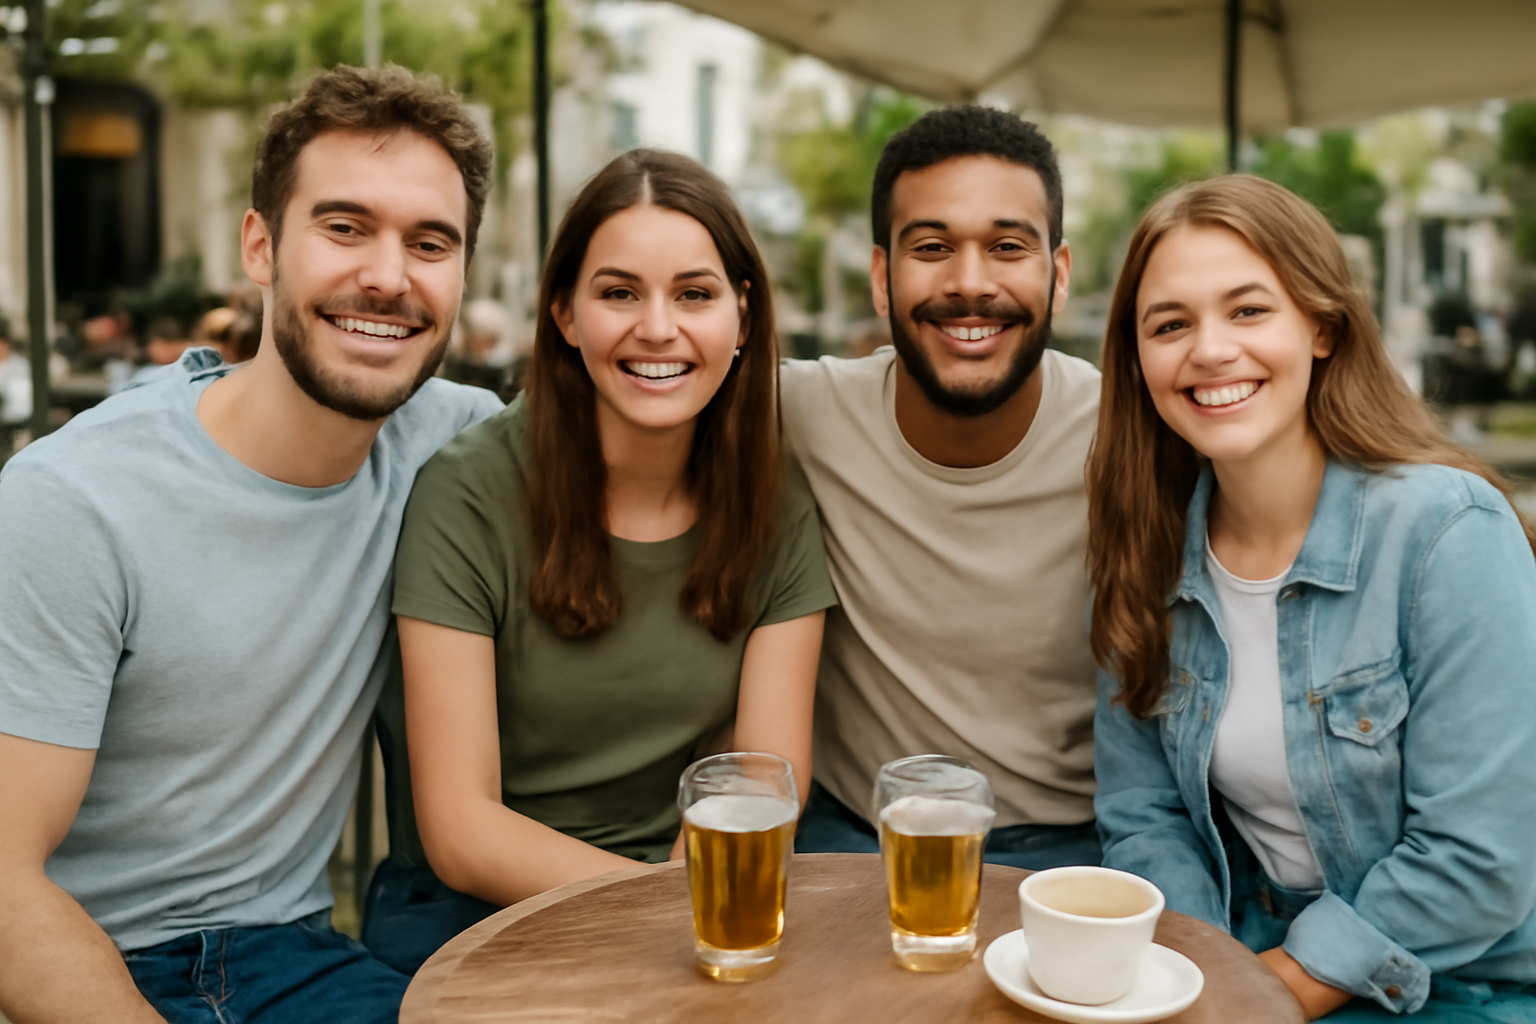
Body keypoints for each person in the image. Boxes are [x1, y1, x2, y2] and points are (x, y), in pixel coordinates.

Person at [0, 65, 504, 1024]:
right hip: (98, 962)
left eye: (429, 242)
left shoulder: (454, 440)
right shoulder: (75, 501)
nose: (389, 277)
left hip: (300, 954)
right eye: (345, 227)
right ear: (261, 247)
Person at [361, 148, 837, 974]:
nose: (658, 328)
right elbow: (460, 831)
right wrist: (671, 911)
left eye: (694, 294)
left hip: (692, 887)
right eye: (619, 293)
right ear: (565, 315)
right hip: (472, 915)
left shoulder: (775, 498)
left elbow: (762, 782)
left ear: (744, 317)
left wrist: (691, 904)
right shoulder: (468, 494)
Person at [1089, 175, 1536, 1022]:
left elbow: (1479, 861)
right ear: (1138, 357)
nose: (1210, 350)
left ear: (1322, 327)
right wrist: (1201, 974)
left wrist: (1259, 997)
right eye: (1170, 324)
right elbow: (1143, 816)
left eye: (1249, 310)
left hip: (1460, 977)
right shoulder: (1142, 549)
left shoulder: (1447, 531)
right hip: (1246, 942)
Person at [782, 106, 1103, 870]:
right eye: (931, 248)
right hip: (858, 837)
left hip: (1077, 844)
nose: (969, 283)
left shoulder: (1136, 437)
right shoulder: (796, 411)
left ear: (1057, 276)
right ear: (880, 276)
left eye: (1006, 247)